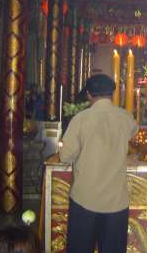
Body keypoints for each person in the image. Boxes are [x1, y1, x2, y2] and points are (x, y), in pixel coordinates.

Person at [50, 74, 139, 253]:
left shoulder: (81, 119)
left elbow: (66, 156)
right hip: (116, 201)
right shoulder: (126, 118)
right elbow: (133, 133)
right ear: (112, 94)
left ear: (89, 94)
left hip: (85, 199)